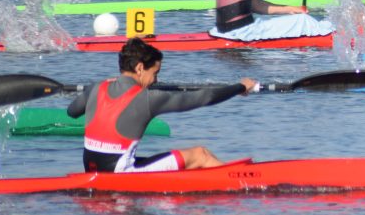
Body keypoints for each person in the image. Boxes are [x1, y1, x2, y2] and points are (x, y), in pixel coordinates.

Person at [66, 38, 257, 173]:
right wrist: (239, 87)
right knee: (200, 155)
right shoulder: (148, 98)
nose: (156, 80)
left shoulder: (96, 87)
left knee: (168, 159)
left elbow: (72, 111)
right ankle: (241, 182)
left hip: (93, 168)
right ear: (140, 68)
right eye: (155, 72)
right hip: (120, 173)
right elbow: (203, 98)